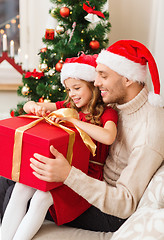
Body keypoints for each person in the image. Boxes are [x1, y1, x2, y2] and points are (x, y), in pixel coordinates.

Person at [27, 40, 163, 232]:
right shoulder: (118, 102)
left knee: (19, 191)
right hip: (94, 185)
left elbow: (125, 203)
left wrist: (68, 175)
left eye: (103, 76)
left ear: (128, 79)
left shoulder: (149, 130)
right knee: (15, 180)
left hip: (110, 213)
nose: (96, 82)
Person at [1, 54, 119, 240]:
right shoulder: (67, 106)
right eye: (68, 89)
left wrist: (73, 120)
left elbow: (109, 137)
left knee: (42, 197)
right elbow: (28, 106)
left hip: (85, 176)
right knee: (21, 187)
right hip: (60, 169)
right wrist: (35, 107)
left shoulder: (107, 112)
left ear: (92, 85)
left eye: (77, 88)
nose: (72, 94)